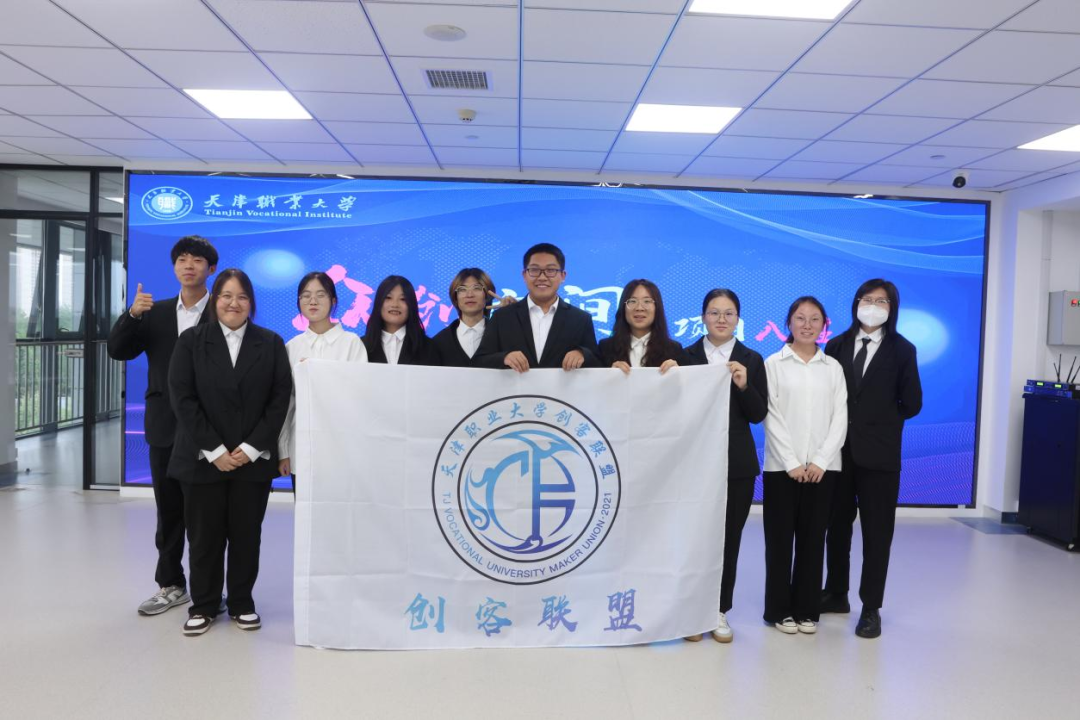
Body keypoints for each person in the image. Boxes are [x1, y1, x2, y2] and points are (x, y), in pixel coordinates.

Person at [168, 269, 292, 636]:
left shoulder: (270, 343)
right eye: (226, 295)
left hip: (251, 462)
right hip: (203, 459)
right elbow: (183, 398)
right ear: (215, 300)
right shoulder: (191, 341)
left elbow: (279, 400)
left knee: (246, 536)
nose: (233, 303)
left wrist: (251, 448)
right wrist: (215, 449)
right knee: (204, 537)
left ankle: (241, 602)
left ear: (251, 302)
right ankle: (204, 605)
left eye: (241, 296)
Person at [106, 235, 218, 617]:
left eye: (197, 260)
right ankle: (171, 584)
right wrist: (133, 315)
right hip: (165, 426)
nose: (189, 265)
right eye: (182, 259)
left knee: (205, 515)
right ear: (174, 267)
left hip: (209, 431)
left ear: (211, 268)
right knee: (169, 512)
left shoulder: (223, 311)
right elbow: (118, 350)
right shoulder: (155, 312)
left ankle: (207, 590)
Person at [821, 279, 922, 639]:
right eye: (868, 299)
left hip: (880, 456)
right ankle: (836, 593)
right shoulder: (835, 345)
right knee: (836, 526)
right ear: (856, 302)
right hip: (838, 453)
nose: (874, 306)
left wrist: (879, 421)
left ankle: (870, 607)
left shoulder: (903, 349)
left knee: (877, 533)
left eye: (882, 301)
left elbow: (912, 403)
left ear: (892, 308)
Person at [684, 288, 767, 644]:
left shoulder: (752, 359)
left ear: (737, 319)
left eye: (729, 313)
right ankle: (691, 611)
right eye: (714, 312)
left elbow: (758, 414)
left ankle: (719, 609)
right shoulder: (684, 356)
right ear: (703, 316)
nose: (721, 319)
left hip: (737, 465)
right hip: (693, 463)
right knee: (693, 539)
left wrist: (745, 386)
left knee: (728, 539)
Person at [762, 296, 847, 635]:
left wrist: (822, 460)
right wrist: (792, 462)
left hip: (823, 470)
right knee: (780, 542)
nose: (807, 325)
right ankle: (779, 610)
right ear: (789, 323)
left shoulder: (833, 368)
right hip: (782, 469)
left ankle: (807, 610)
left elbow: (840, 418)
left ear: (824, 326)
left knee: (813, 541)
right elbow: (771, 415)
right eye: (800, 318)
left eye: (814, 319)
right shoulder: (773, 364)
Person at [278, 271, 368, 485]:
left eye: (321, 295)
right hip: (301, 448)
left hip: (342, 448)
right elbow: (286, 404)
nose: (313, 301)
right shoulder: (292, 347)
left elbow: (360, 397)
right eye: (306, 295)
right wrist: (283, 450)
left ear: (333, 300)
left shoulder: (351, 343)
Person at [475, 243, 600, 372]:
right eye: (534, 270)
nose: (542, 277)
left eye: (551, 270)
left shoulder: (580, 319)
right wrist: (504, 357)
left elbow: (597, 362)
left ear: (563, 276)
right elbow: (480, 361)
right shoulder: (502, 317)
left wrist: (582, 354)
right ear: (524, 275)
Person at [432, 268, 516, 367]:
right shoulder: (439, 342)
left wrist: (516, 314)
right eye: (462, 289)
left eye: (477, 288)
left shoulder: (503, 336)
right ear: (455, 297)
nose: (469, 295)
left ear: (487, 296)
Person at [598, 279, 685, 373]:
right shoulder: (605, 348)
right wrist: (609, 374)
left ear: (657, 308)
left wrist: (678, 374)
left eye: (647, 301)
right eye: (632, 301)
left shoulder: (674, 349)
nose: (639, 308)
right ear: (623, 308)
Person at [362, 275, 440, 366]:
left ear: (411, 305)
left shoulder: (428, 347)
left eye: (403, 299)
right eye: (388, 298)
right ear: (378, 303)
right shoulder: (361, 346)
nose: (395, 304)